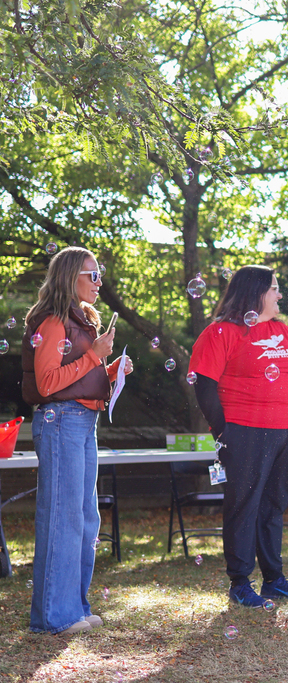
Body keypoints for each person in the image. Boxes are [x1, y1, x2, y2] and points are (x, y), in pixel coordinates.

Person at [22, 247, 133, 634]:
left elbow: (76, 376)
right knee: (63, 518)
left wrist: (112, 368)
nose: (99, 282)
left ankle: (75, 609)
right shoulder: (53, 321)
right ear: (71, 277)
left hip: (82, 422)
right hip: (61, 422)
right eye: (93, 274)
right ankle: (54, 617)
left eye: (99, 274)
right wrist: (94, 357)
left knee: (86, 519)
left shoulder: (80, 320)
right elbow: (47, 383)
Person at [189, 265, 288, 608]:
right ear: (254, 293)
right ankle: (241, 582)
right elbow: (204, 384)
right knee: (243, 506)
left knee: (274, 504)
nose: (279, 295)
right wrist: (224, 430)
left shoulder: (282, 330)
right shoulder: (221, 332)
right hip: (245, 431)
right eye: (274, 288)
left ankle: (274, 579)